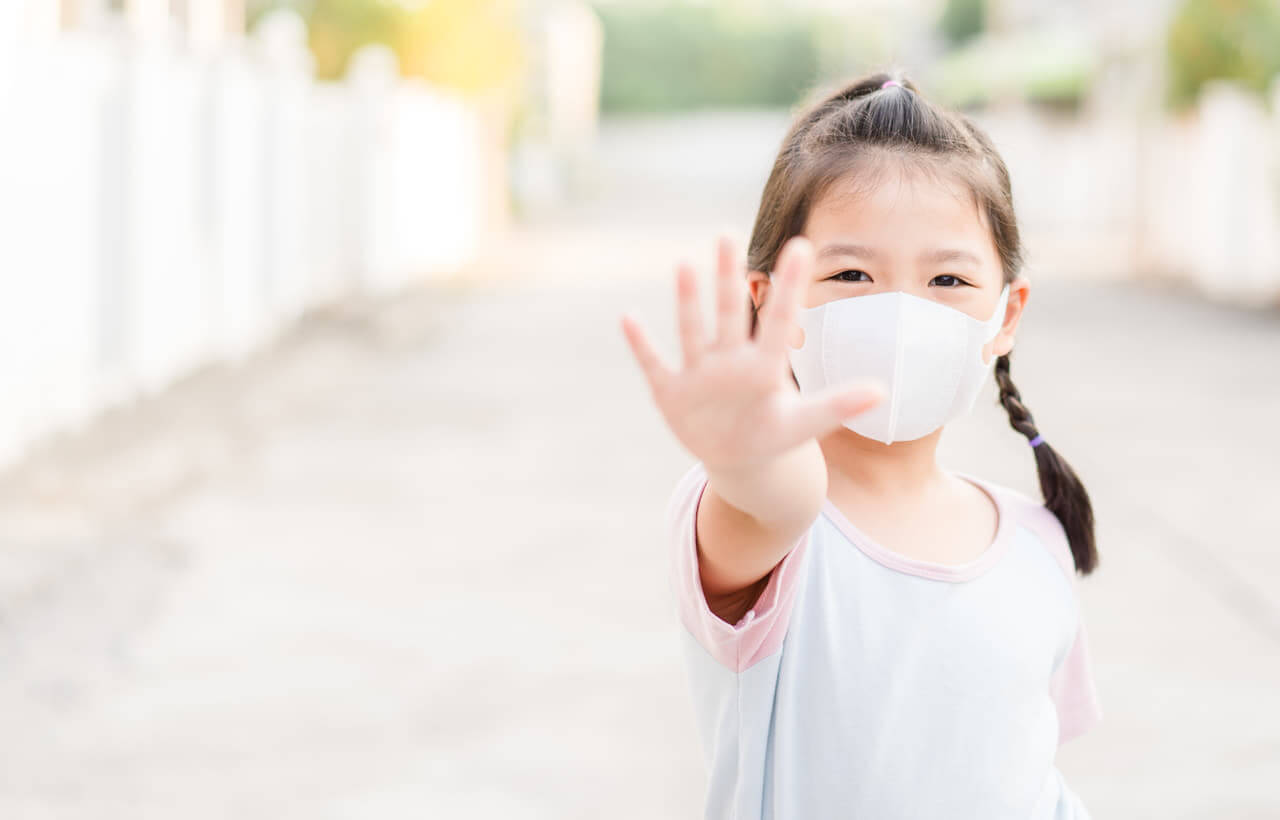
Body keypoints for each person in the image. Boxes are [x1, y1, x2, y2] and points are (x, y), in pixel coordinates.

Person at [618, 71, 1103, 819]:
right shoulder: (771, 522)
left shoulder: (1038, 545)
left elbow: (1024, 772)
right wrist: (739, 456)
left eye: (947, 278)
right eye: (852, 274)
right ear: (771, 301)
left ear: (1006, 314)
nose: (903, 312)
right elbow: (770, 500)